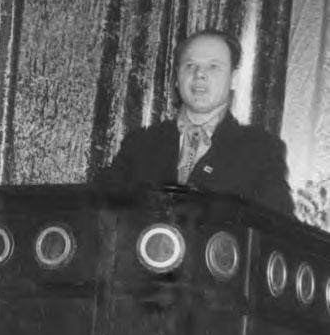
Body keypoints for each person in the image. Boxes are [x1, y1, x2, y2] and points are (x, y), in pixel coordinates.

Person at [103, 29, 294, 216]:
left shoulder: (261, 151)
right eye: (190, 65)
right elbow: (99, 209)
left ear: (234, 79)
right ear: (176, 78)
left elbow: (278, 226)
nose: (199, 74)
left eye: (213, 66)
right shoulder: (140, 144)